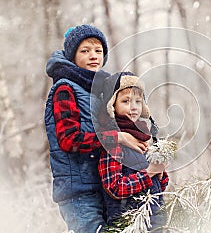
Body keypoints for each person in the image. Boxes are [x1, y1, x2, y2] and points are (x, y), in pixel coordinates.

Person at [44, 24, 148, 233]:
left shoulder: (99, 90)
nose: (94, 56)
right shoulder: (65, 89)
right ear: (72, 56)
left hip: (104, 187)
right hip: (79, 192)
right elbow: (69, 139)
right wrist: (118, 138)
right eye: (85, 51)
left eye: (98, 51)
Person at [98, 71, 169, 231]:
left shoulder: (143, 137)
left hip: (155, 221)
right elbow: (115, 188)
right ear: (112, 106)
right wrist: (149, 172)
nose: (133, 107)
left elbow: (159, 187)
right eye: (125, 101)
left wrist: (160, 172)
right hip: (128, 223)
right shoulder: (114, 142)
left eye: (138, 101)